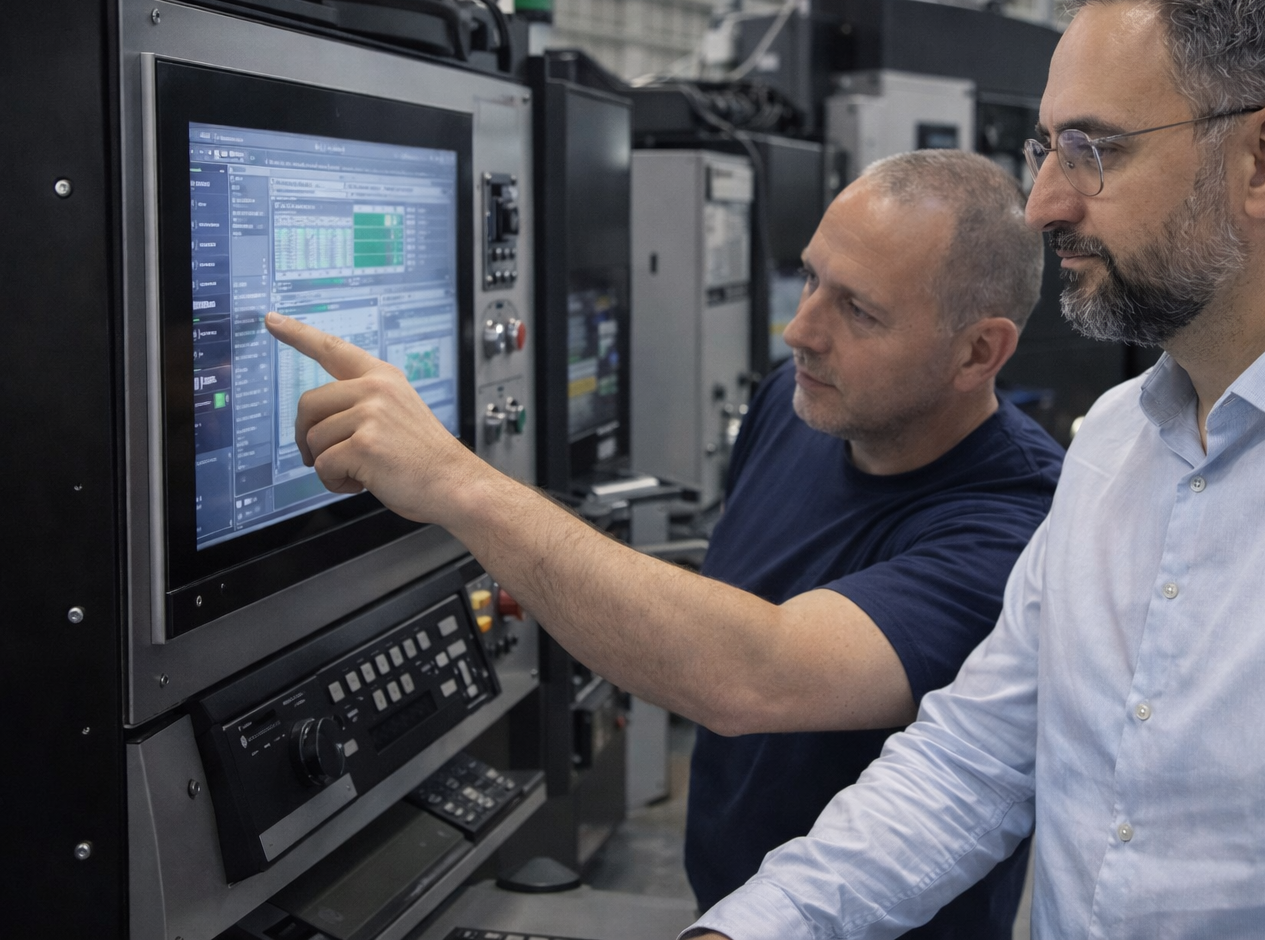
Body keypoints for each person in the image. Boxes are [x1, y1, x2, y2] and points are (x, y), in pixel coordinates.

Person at [684, 0, 1265, 940]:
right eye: (1046, 149)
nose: (1044, 203)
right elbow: (971, 764)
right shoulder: (1116, 440)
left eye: (1094, 149)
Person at [265, 149, 1064, 938]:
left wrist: (456, 481)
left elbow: (757, 673)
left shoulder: (1017, 524)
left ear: (977, 351)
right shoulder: (794, 408)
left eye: (860, 310)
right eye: (812, 278)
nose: (801, 330)